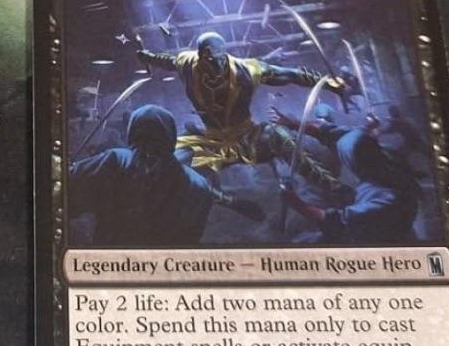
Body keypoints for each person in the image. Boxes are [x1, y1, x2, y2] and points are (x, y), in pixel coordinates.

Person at [138, 31, 347, 192]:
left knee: (279, 137)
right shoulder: (187, 63)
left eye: (219, 60)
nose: (215, 67)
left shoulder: (246, 69)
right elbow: (165, 61)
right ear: (200, 56)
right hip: (210, 141)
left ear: (225, 55)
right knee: (166, 164)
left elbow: (291, 74)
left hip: (247, 138)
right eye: (208, 61)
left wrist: (330, 83)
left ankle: (330, 185)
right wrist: (147, 57)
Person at [68, 104, 262, 247]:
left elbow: (70, 196)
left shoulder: (115, 160)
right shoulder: (199, 184)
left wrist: (68, 171)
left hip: (112, 267)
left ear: (133, 132)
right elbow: (192, 235)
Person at [280, 129, 418, 245]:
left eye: (344, 159)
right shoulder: (379, 158)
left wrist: (298, 204)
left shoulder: (388, 197)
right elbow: (338, 136)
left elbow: (339, 222)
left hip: (381, 241)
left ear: (355, 162)